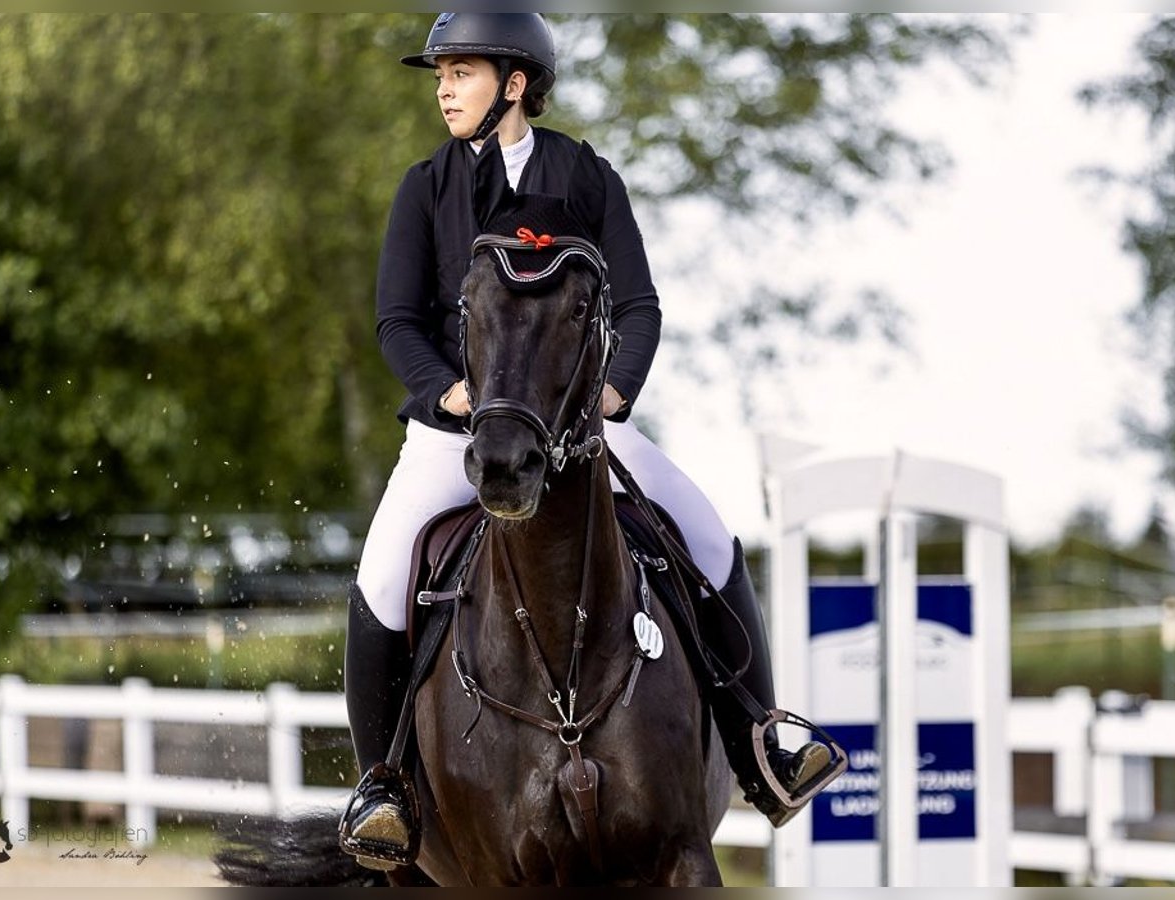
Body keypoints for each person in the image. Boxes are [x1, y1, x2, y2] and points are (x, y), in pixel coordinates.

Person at [338, 13, 831, 871]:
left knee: (707, 535)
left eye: (461, 71)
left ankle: (762, 740)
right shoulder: (426, 187)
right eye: (440, 74)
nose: (444, 88)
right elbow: (395, 319)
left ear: (515, 82)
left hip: (581, 426)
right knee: (382, 574)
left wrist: (613, 392)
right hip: (458, 428)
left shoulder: (586, 175)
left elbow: (638, 306)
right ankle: (382, 786)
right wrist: (445, 390)